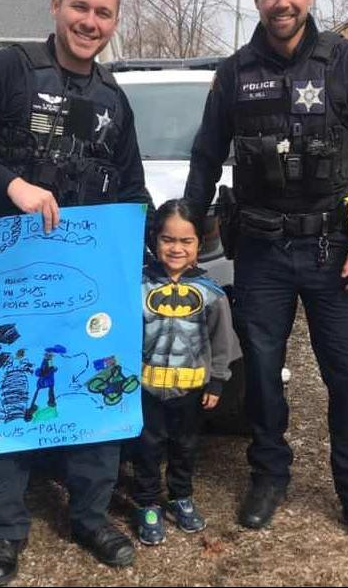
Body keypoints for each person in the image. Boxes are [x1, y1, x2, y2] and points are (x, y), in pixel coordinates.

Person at [0, 0, 153, 585]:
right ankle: (6, 529)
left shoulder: (114, 97)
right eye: (80, 6)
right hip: (8, 272)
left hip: (83, 282)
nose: (90, 21)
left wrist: (138, 255)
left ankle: (88, 515)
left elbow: (133, 190)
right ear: (55, 7)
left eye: (103, 12)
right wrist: (15, 186)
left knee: (92, 383)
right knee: (4, 392)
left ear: (115, 21)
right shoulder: (3, 69)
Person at [185, 0, 348, 553]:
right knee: (265, 378)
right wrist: (190, 227)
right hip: (261, 251)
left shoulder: (347, 61)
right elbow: (204, 156)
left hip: (335, 248)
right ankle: (268, 477)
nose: (282, 3)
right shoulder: (234, 72)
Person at [131, 198, 237, 545]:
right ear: (154, 240)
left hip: (191, 390)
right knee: (146, 448)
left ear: (199, 245)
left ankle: (180, 495)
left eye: (185, 241)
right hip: (146, 389)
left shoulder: (210, 294)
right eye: (168, 239)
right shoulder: (137, 288)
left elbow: (221, 341)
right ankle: (147, 502)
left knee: (186, 446)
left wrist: (217, 381)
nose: (176, 248)